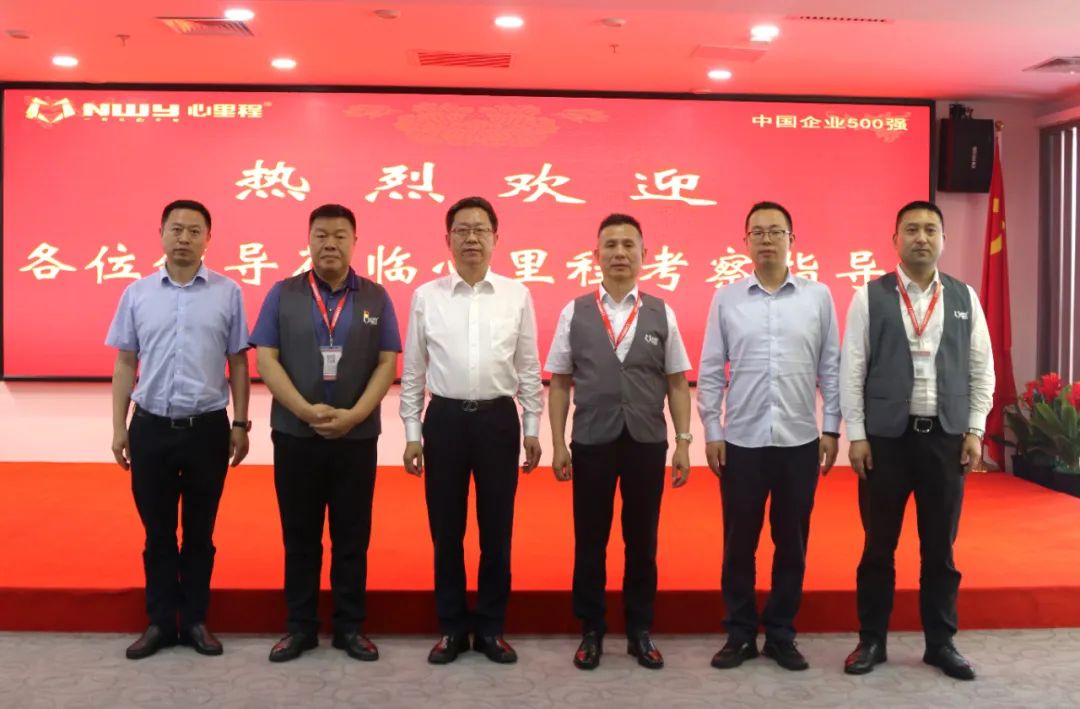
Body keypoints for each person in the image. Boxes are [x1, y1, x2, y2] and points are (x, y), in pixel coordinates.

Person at [840, 200, 994, 681]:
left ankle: (941, 643)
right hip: (886, 441)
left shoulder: (965, 297)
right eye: (911, 229)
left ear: (943, 239)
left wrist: (975, 429)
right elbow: (852, 369)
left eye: (930, 229)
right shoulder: (869, 297)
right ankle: (871, 640)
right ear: (895, 240)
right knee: (877, 548)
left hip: (945, 440)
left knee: (940, 551)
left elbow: (981, 369)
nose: (921, 238)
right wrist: (857, 435)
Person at [251, 203, 401, 663]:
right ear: (309, 240)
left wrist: (355, 414)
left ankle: (350, 627)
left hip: (356, 438)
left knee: (352, 536)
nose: (330, 243)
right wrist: (302, 410)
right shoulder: (283, 293)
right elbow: (266, 359)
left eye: (339, 235)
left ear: (355, 242)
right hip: (295, 435)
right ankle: (300, 628)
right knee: (299, 535)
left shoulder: (376, 296)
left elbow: (386, 363)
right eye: (321, 235)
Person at [697, 201, 841, 671]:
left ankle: (780, 633)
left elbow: (831, 366)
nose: (766, 240)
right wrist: (712, 430)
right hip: (742, 441)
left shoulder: (818, 297)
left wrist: (831, 427)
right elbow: (711, 369)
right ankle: (739, 634)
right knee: (739, 543)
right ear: (745, 243)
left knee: (792, 542)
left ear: (791, 240)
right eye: (757, 232)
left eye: (775, 231)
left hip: (800, 440)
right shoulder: (727, 298)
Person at [400, 196, 543, 664]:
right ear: (448, 239)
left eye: (480, 230)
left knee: (496, 531)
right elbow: (414, 370)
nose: (471, 238)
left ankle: (491, 628)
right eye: (462, 230)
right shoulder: (427, 296)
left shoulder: (516, 295)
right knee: (446, 531)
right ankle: (452, 628)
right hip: (444, 421)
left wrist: (532, 425)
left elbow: (528, 366)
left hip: (498, 421)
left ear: (496, 239)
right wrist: (412, 433)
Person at [547, 213, 692, 671]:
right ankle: (591, 631)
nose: (620, 253)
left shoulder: (661, 312)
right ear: (596, 255)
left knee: (642, 541)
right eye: (610, 245)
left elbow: (676, 382)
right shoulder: (574, 311)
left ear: (644, 255)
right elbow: (559, 382)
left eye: (629, 245)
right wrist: (558, 444)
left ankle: (639, 630)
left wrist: (683, 442)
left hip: (645, 441)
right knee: (590, 540)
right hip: (592, 440)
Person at [107, 199, 250, 660]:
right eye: (176, 229)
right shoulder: (137, 293)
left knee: (201, 531)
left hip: (207, 428)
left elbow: (238, 362)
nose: (184, 238)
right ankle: (158, 623)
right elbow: (125, 362)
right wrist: (119, 427)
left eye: (194, 230)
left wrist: (241, 423)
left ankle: (194, 621)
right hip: (150, 427)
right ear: (162, 233)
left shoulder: (228, 292)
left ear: (209, 238)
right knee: (158, 533)